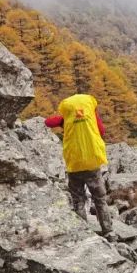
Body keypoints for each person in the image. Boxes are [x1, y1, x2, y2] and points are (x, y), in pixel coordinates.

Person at [44, 93, 114, 240]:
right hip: (92, 163)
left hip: (74, 164)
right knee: (100, 199)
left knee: (78, 200)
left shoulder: (66, 118)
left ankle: (83, 234)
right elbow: (101, 131)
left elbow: (48, 122)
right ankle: (108, 231)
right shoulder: (91, 116)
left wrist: (67, 119)